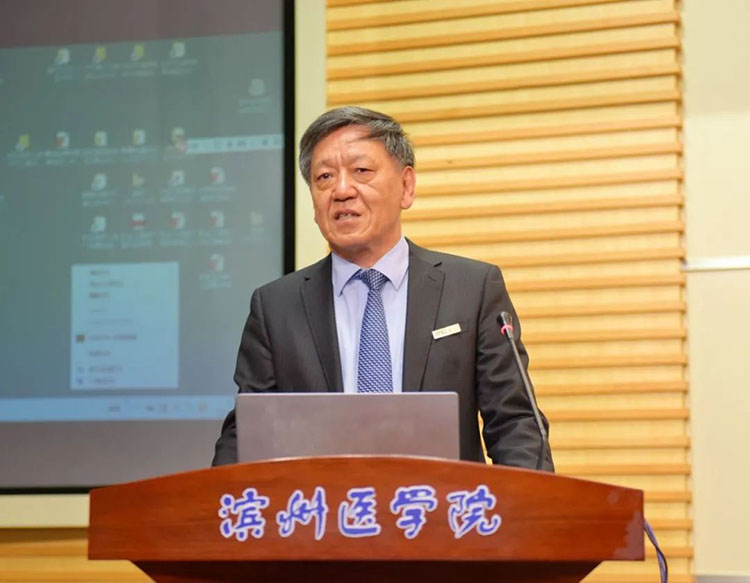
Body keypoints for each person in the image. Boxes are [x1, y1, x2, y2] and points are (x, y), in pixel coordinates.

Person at [212, 106, 553, 470]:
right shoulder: (276, 307)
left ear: (406, 186)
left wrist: (524, 503)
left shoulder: (472, 289)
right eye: (324, 177)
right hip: (321, 505)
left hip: (442, 503)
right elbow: (247, 436)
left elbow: (516, 423)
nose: (341, 190)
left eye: (361, 171)